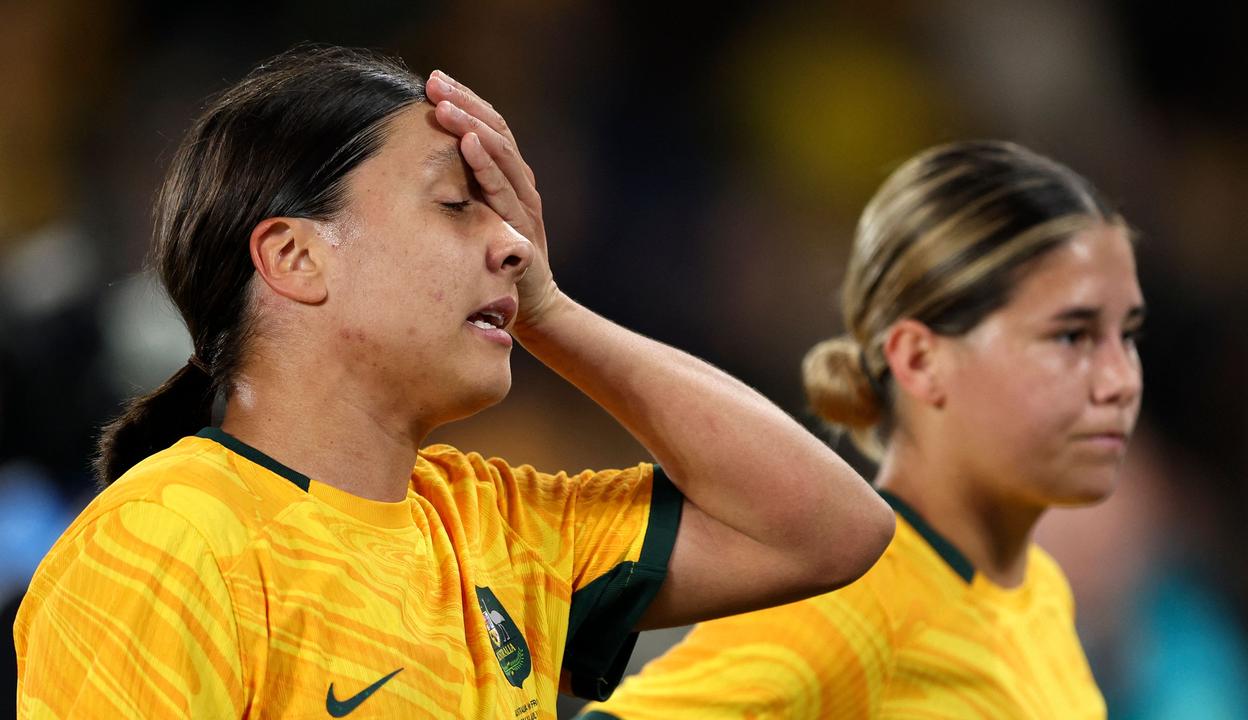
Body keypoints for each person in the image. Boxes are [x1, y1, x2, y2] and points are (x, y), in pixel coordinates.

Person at [13, 45, 894, 719]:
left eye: (505, 216)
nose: (514, 242)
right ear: (294, 256)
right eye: (455, 204)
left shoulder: (496, 528)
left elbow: (828, 528)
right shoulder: (164, 543)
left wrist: (549, 311)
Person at [582, 140, 1145, 719]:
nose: (1121, 380)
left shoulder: (1041, 591)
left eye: (1127, 335)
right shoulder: (850, 601)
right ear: (921, 361)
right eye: (1072, 336)